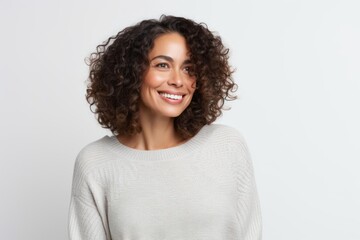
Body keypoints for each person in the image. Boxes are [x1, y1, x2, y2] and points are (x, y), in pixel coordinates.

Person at [68, 15, 262, 240]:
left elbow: (250, 233)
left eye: (189, 68)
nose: (178, 80)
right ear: (131, 72)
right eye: (162, 65)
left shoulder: (227, 146)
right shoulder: (95, 162)